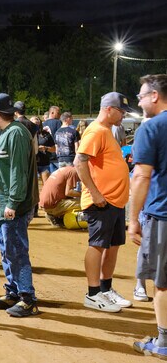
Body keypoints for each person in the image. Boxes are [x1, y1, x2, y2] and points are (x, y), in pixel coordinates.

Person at [0, 92, 39, 317]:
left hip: (12, 205)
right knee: (7, 251)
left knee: (16, 252)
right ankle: (13, 291)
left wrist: (13, 202)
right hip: (2, 204)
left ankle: (27, 298)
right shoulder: (5, 134)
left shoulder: (15, 133)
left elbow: (18, 170)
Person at [74, 92, 132, 313]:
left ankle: (106, 289)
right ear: (109, 109)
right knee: (97, 244)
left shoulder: (108, 131)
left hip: (114, 201)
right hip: (101, 201)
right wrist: (95, 193)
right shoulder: (96, 130)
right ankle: (93, 293)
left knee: (113, 245)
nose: (123, 115)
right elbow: (80, 162)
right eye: (121, 111)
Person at [128, 74, 167, 358]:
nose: (139, 101)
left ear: (155, 95)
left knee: (162, 282)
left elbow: (141, 176)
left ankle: (164, 341)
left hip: (163, 216)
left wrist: (133, 219)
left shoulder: (152, 128)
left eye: (142, 95)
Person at [31, 116, 55, 185]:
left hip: (44, 163)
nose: (36, 126)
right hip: (33, 164)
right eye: (34, 124)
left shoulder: (46, 134)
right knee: (32, 187)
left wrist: (45, 148)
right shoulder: (28, 134)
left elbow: (54, 149)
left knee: (46, 185)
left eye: (38, 122)